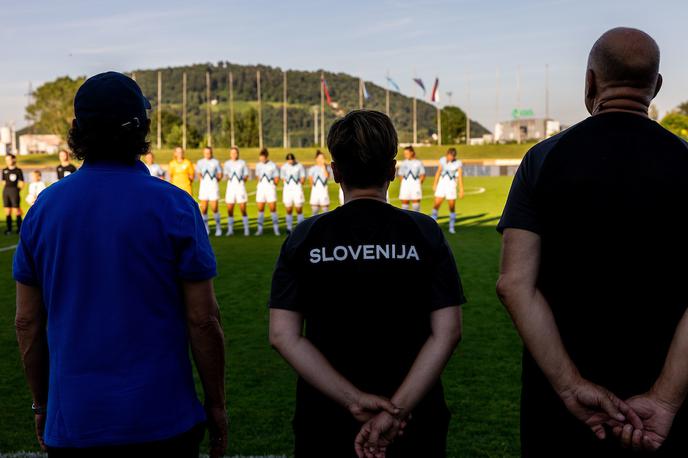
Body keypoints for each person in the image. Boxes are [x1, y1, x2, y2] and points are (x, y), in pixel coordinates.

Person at [13, 72, 227, 458]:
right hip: (163, 423)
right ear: (142, 128)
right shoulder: (175, 206)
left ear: (77, 130)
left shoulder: (43, 209)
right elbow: (203, 319)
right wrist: (216, 404)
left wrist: (41, 405)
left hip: (75, 423)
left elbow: (27, 321)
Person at [496, 28, 688, 457]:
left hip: (562, 411)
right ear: (655, 87)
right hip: (666, 419)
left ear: (590, 82)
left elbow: (513, 284)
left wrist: (570, 386)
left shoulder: (542, 160)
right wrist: (664, 399)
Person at [269, 110, 465, 458]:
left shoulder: (304, 236)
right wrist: (398, 409)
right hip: (414, 417)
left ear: (334, 172)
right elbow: (447, 332)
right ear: (392, 170)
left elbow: (283, 335)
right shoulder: (425, 231)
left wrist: (354, 399)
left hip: (327, 416)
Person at [431, 148, 463, 234]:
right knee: (436, 205)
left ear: (454, 156)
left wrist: (461, 189)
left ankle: (451, 227)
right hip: (441, 186)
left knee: (452, 207)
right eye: (448, 155)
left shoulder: (458, 163)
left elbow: (459, 177)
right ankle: (432, 225)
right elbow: (438, 172)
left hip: (451, 186)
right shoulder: (442, 160)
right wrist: (435, 184)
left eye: (451, 156)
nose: (449, 157)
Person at [223, 146, 250, 236]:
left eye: (235, 153)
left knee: (243, 208)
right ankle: (230, 230)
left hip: (240, 187)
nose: (234, 154)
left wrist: (241, 183)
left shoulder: (242, 163)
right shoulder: (227, 163)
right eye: (232, 153)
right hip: (230, 187)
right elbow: (226, 175)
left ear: (238, 153)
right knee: (230, 209)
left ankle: (246, 229)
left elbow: (246, 175)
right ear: (230, 154)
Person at [196, 147, 223, 237]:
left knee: (215, 208)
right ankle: (206, 228)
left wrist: (215, 181)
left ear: (211, 153)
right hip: (204, 186)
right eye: (206, 152)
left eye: (209, 152)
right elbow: (199, 173)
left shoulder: (216, 162)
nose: (208, 154)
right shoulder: (200, 162)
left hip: (213, 186)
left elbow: (220, 174)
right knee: (204, 209)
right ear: (204, 153)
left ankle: (218, 228)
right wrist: (202, 180)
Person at [255, 148, 280, 236]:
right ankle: (259, 230)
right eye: (260, 157)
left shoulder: (272, 165)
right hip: (261, 188)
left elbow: (277, 178)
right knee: (260, 209)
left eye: (262, 157)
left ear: (266, 157)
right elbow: (257, 177)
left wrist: (272, 186)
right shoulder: (258, 165)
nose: (261, 159)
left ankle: (276, 229)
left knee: (273, 209)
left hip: (270, 188)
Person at [281, 153, 306, 233]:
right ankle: (289, 228)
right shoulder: (284, 167)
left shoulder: (299, 166)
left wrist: (298, 184)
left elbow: (302, 178)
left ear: (294, 159)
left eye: (292, 159)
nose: (290, 161)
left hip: (297, 188)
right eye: (289, 160)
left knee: (299, 208)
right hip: (288, 189)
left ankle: (300, 227)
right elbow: (283, 178)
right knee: (288, 209)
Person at [398, 146, 425, 211]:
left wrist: (418, 184)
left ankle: (417, 220)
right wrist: (404, 183)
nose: (405, 155)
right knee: (405, 205)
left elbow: (422, 174)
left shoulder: (418, 162)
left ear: (412, 153)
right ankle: (405, 220)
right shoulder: (403, 163)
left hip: (415, 185)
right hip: (405, 185)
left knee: (416, 206)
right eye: (404, 154)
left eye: (407, 153)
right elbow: (400, 175)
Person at [3, 153, 24, 235]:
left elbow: (22, 183)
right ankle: (9, 229)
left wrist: (16, 190)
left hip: (14, 191)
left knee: (17, 210)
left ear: (13, 159)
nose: (8, 161)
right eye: (6, 160)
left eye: (9, 159)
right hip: (6, 191)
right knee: (7, 211)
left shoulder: (18, 170)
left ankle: (19, 229)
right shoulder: (4, 170)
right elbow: (3, 182)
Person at [308, 150, 332, 215]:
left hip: (324, 191)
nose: (321, 160)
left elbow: (327, 177)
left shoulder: (327, 168)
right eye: (320, 158)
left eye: (322, 158)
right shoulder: (312, 169)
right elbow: (311, 181)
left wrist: (324, 167)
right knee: (314, 212)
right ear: (316, 159)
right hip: (315, 192)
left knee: (325, 211)